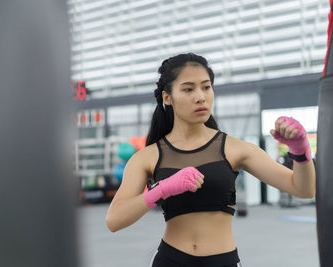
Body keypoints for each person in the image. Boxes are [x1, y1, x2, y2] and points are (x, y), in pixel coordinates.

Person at [105, 53, 316, 267]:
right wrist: (161, 189)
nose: (200, 97)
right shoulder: (148, 156)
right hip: (170, 261)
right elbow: (114, 220)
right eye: (188, 89)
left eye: (206, 87)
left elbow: (303, 189)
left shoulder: (234, 148)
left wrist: (299, 151)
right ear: (167, 97)